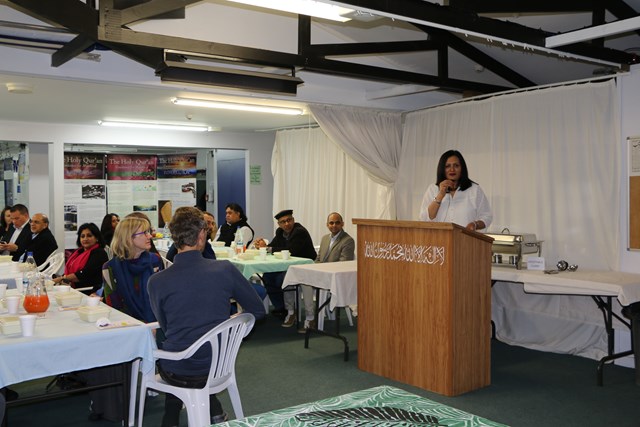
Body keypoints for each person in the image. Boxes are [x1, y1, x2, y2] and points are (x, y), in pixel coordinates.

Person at [147, 206, 266, 427]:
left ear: (174, 237)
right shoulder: (225, 270)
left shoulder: (156, 281)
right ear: (202, 234)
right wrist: (231, 325)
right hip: (219, 364)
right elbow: (258, 311)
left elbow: (166, 325)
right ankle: (212, 414)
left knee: (175, 351)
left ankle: (171, 419)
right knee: (191, 353)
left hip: (179, 369)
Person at [254, 209, 316, 326]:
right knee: (268, 277)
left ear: (293, 220)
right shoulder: (280, 232)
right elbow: (274, 246)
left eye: (289, 220)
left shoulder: (299, 231)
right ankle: (282, 308)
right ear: (279, 224)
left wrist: (267, 248)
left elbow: (291, 250)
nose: (287, 224)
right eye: (283, 222)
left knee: (283, 279)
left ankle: (299, 313)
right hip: (289, 267)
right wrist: (262, 245)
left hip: (306, 267)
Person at [298, 212, 355, 333]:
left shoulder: (348, 240)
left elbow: (343, 264)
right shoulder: (325, 238)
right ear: (327, 225)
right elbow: (319, 259)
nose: (334, 225)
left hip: (335, 278)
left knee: (306, 285)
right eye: (331, 223)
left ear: (342, 224)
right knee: (303, 280)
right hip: (322, 274)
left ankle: (310, 319)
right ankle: (301, 315)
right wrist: (312, 270)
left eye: (337, 222)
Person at [102, 216, 163, 323]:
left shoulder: (155, 260)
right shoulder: (109, 268)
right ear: (128, 238)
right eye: (144, 233)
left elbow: (161, 296)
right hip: (127, 326)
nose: (149, 236)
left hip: (157, 323)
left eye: (148, 232)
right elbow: (114, 306)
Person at [419, 150, 492, 232]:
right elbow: (425, 218)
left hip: (466, 241)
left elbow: (487, 217)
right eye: (447, 166)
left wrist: (475, 224)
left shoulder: (474, 190)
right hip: (439, 241)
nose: (452, 169)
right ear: (442, 169)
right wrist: (440, 195)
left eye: (456, 165)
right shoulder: (433, 189)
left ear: (462, 168)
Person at [52, 223, 109, 293]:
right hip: (72, 287)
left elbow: (84, 274)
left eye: (89, 236)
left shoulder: (99, 253)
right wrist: (61, 278)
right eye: (82, 236)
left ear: (97, 238)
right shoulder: (78, 252)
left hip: (88, 290)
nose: (85, 239)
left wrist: (62, 278)